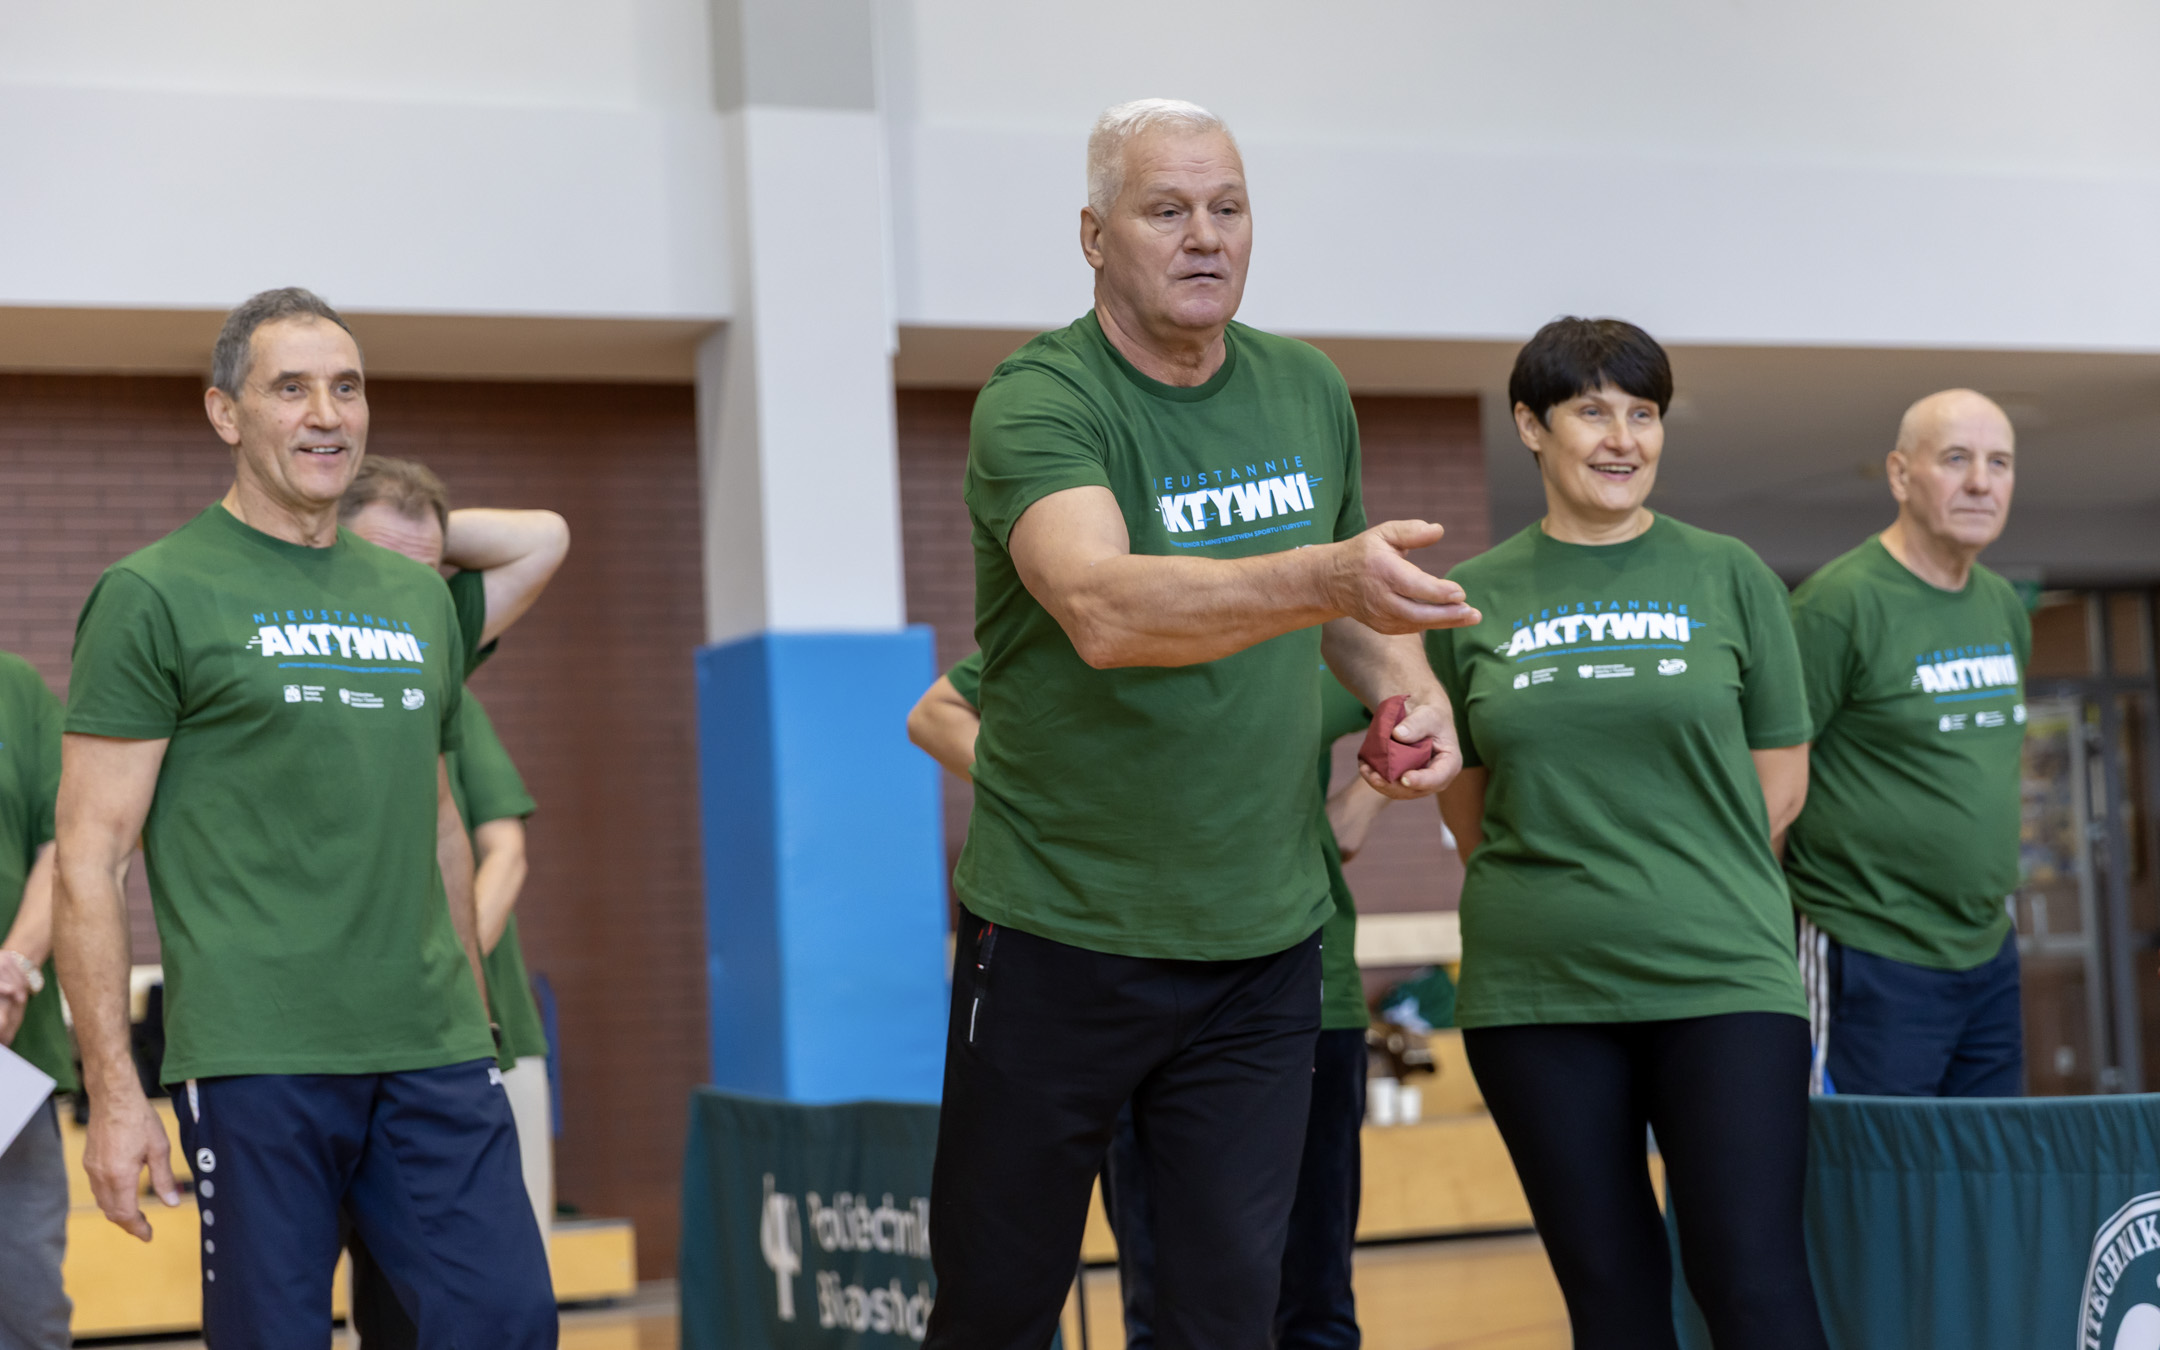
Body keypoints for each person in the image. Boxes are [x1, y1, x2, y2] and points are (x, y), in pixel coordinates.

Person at [926, 98, 1479, 1350]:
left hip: (1262, 947)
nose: (1206, 236)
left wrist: (1412, 692)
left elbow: (1351, 610)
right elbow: (1104, 607)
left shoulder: (1305, 387)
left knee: (1228, 1319)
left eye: (1228, 207)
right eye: (1166, 209)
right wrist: (1326, 576)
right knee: (999, 1307)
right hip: (1059, 932)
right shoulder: (1041, 399)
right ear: (1093, 235)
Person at [51, 287, 558, 1349]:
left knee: (504, 1323)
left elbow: (439, 822)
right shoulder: (154, 593)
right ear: (225, 413)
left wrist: (472, 1014)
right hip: (260, 1055)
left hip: (431, 1046)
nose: (327, 413)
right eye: (290, 389)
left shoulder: (416, 598)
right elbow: (91, 857)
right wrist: (114, 1090)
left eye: (347, 388)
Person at [1429, 318, 1827, 1349]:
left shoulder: (1729, 573)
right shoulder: (1472, 600)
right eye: (1591, 411)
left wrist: (1684, 876)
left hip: (1723, 978)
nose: (1622, 439)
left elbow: (1780, 780)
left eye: (1643, 414)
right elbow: (1468, 802)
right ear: (1532, 426)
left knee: (1755, 1287)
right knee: (1610, 1300)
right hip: (1539, 992)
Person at [908, 653, 1390, 1348]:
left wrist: (1359, 802)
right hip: (1090, 957)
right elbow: (935, 713)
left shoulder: (1317, 627)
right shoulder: (1112, 616)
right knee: (1087, 1291)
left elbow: (1424, 694)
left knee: (1286, 1297)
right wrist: (1053, 799)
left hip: (1277, 975)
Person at [341, 457, 567, 1346]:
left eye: (426, 573)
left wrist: (416, 535)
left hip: (451, 1025)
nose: (405, 588)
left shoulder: (435, 661)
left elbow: (544, 537)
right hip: (323, 1039)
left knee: (487, 1291)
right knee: (366, 1287)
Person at [1784, 391, 2027, 1097]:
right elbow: (1764, 783)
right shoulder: (1837, 605)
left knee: (1989, 1160)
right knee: (1873, 1162)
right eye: (1956, 459)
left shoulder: (2002, 604)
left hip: (1988, 949)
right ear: (1899, 475)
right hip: (1869, 950)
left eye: (1999, 462)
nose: (1980, 482)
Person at [0, 652, 70, 1350]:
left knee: (25, 1300)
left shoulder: (15, 688)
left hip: (9, 1057)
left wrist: (12, 968)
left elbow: (70, 839)